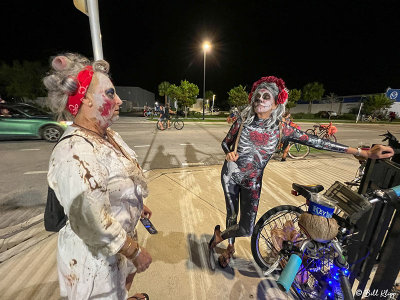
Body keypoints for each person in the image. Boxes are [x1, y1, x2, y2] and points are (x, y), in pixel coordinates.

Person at [208, 75, 394, 268]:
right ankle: (229, 249)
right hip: (231, 175)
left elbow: (318, 142)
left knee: (246, 228)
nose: (260, 100)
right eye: (258, 95)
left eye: (266, 97)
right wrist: (229, 153)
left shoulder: (282, 129)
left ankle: (220, 235)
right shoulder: (242, 121)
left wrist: (362, 152)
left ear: (275, 104)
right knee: (232, 214)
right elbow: (225, 142)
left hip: (253, 180)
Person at [44, 53, 152, 300]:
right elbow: (91, 221)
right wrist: (135, 253)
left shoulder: (106, 134)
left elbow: (113, 181)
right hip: (92, 266)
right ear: (86, 101)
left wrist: (134, 202)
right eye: (110, 93)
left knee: (120, 289)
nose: (120, 101)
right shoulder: (74, 152)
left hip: (114, 257)